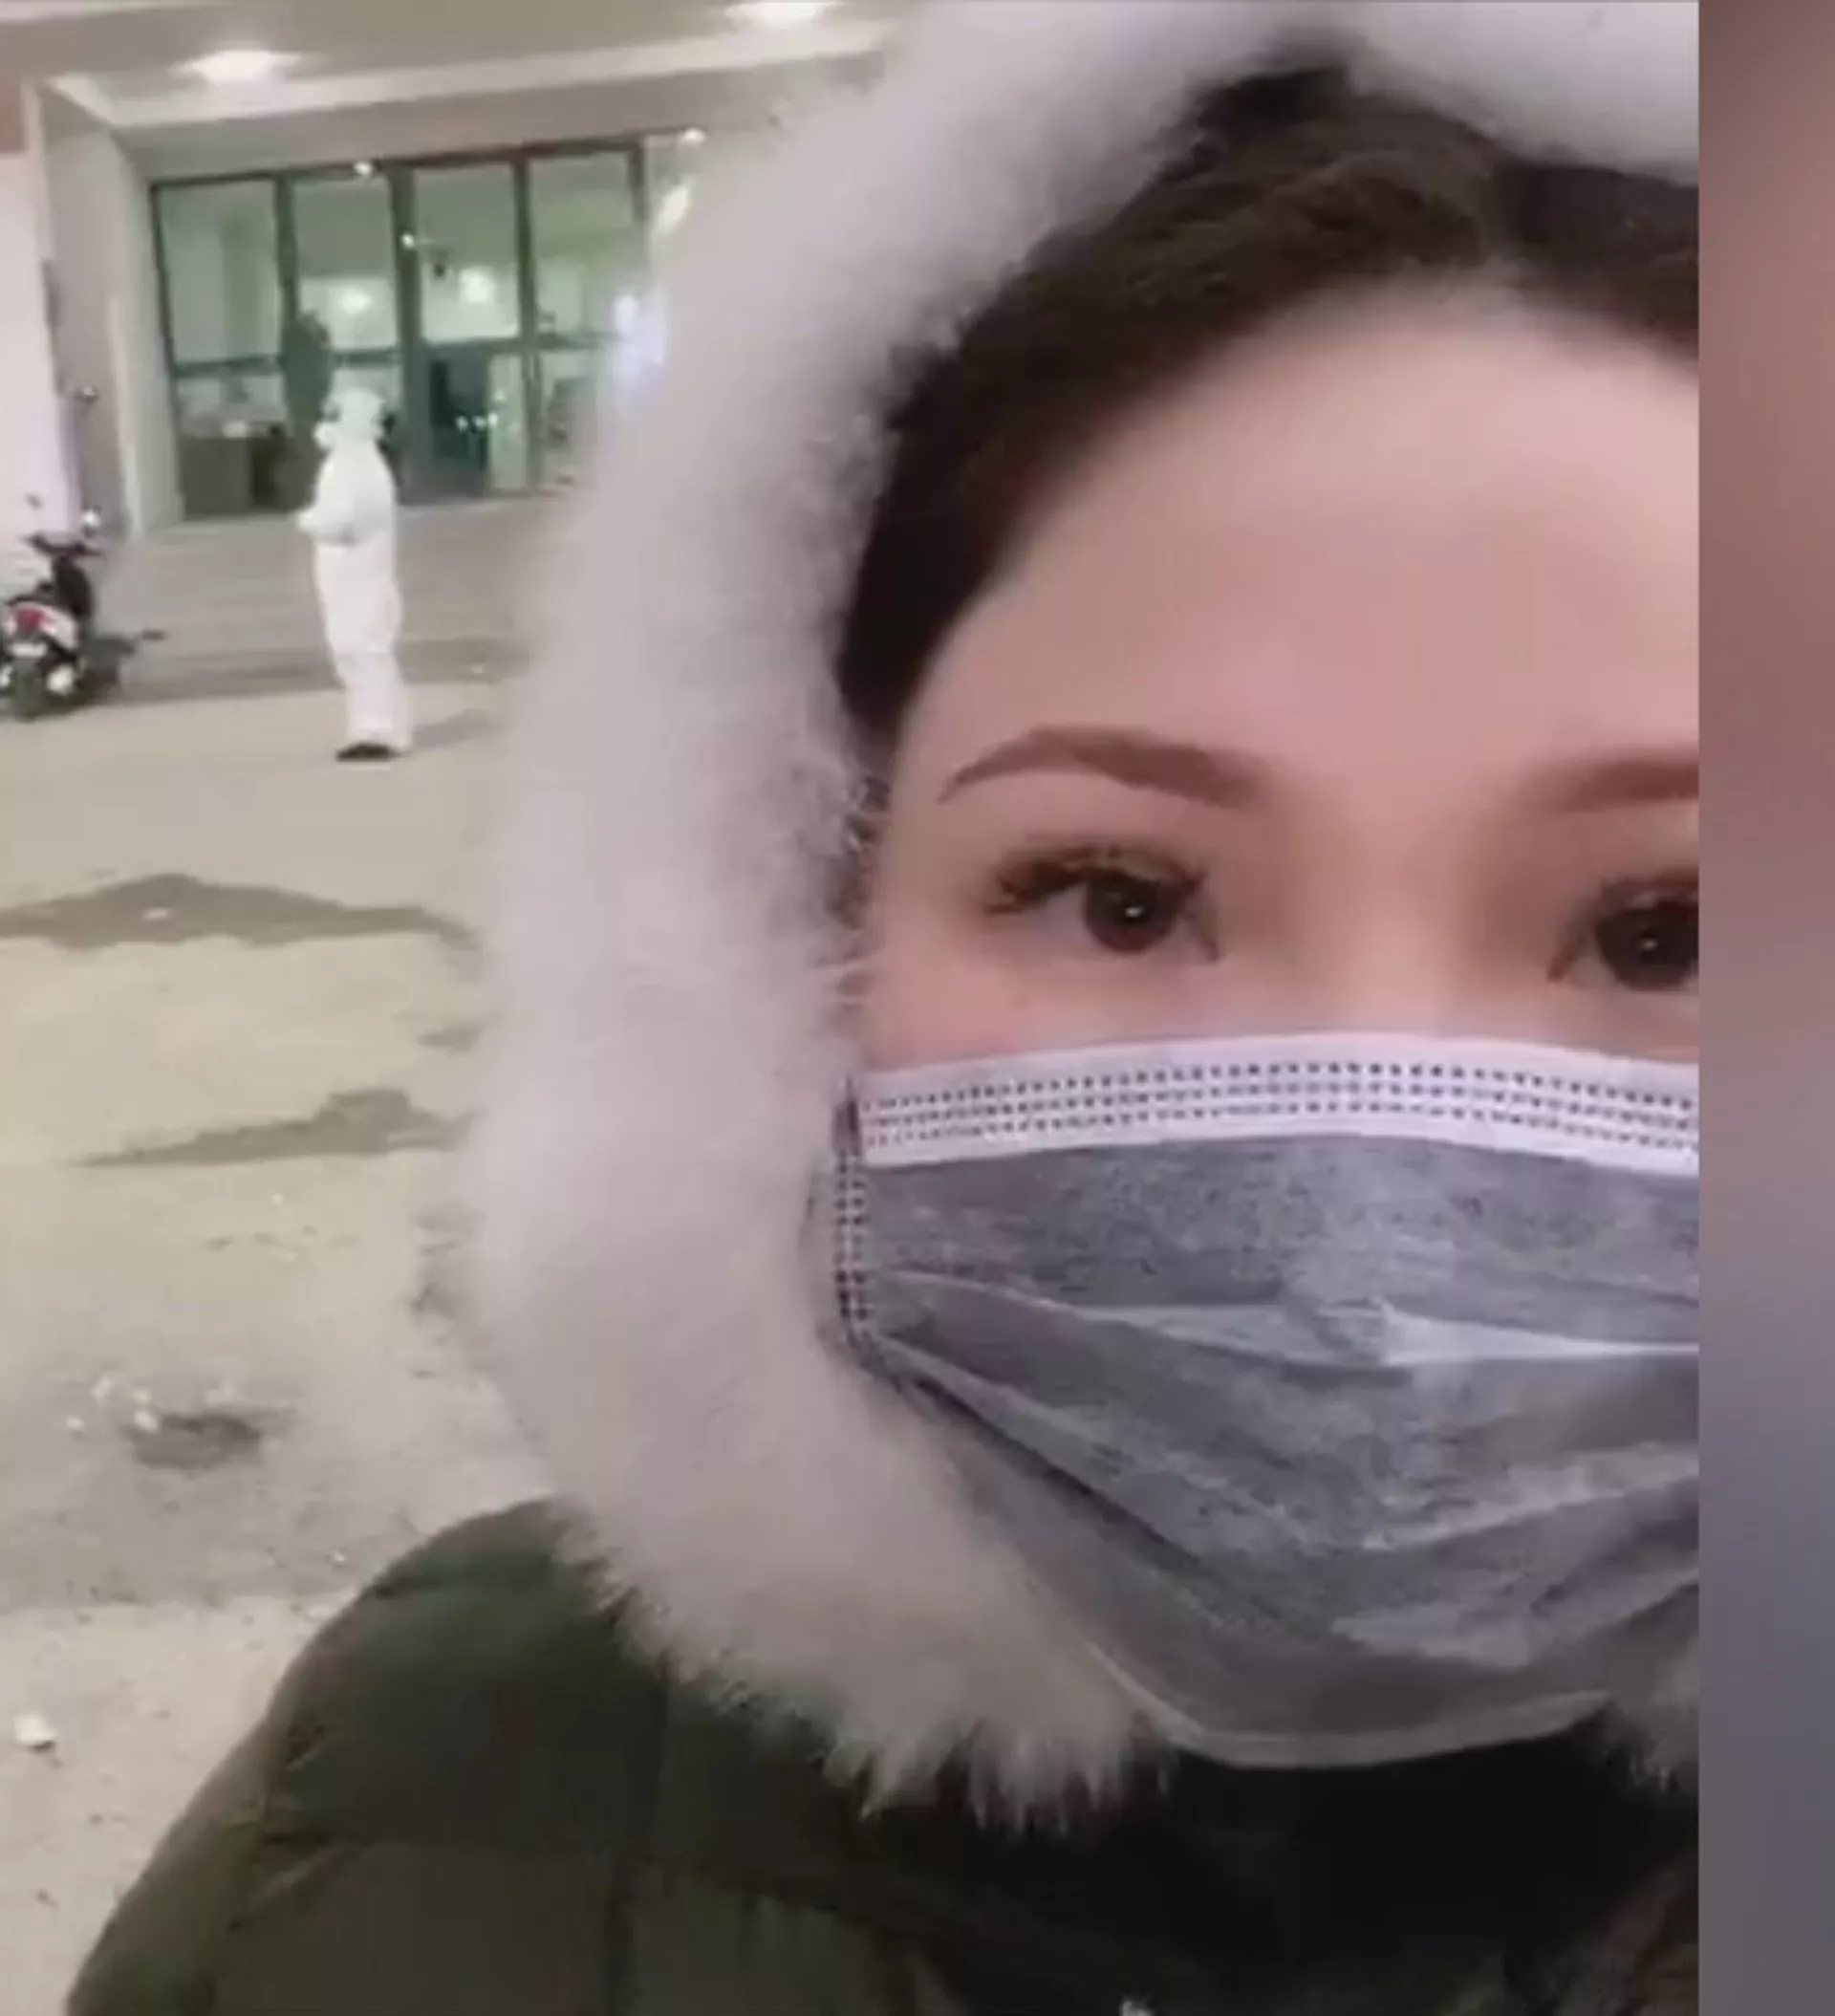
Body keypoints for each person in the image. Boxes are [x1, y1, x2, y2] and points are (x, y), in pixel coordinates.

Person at [73, 6, 1697, 2012]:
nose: (1373, 1225)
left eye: (1670, 929)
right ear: (786, 936)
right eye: (1118, 893)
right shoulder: (380, 1847)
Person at [297, 383, 412, 762]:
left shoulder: (357, 466)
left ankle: (381, 730)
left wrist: (309, 520)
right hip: (347, 579)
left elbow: (346, 521)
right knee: (350, 653)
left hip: (362, 579)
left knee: (367, 653)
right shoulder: (349, 462)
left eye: (334, 414)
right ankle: (366, 727)